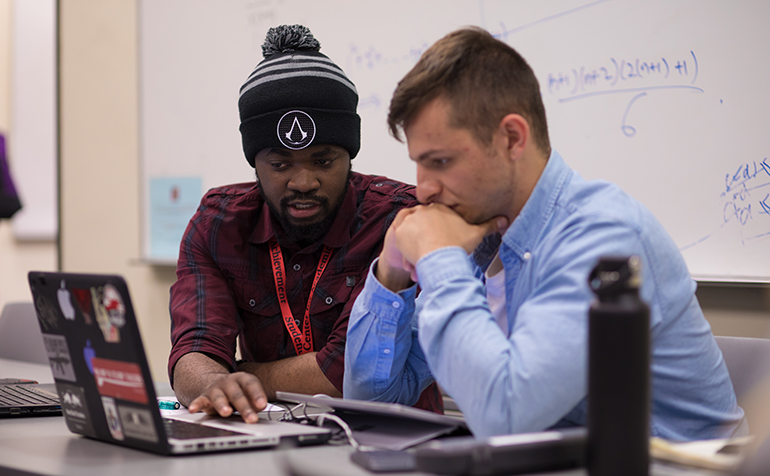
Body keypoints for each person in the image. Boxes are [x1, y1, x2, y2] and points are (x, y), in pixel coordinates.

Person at [343, 27, 747, 441]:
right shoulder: (475, 231)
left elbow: (507, 417)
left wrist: (437, 259)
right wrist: (392, 275)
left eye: (441, 161)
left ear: (512, 138)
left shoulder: (602, 237)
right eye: (418, 163)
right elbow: (368, 403)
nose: (423, 188)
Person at [168, 25, 442, 423]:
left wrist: (246, 376)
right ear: (255, 163)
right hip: (266, 442)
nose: (303, 182)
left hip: (392, 441)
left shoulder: (400, 220)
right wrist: (212, 381)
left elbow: (350, 371)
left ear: (349, 154)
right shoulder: (218, 224)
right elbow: (195, 347)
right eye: (279, 165)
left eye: (324, 161)